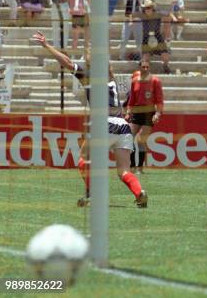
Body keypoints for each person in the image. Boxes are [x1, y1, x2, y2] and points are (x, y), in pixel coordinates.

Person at [32, 31, 148, 208]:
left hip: (104, 124)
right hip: (123, 127)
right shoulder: (111, 77)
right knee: (123, 170)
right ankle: (140, 193)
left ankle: (92, 194)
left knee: (83, 158)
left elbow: (67, 62)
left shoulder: (88, 74)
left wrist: (47, 46)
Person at [125, 60, 164, 176]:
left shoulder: (155, 81)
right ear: (139, 68)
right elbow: (132, 97)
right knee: (129, 138)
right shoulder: (135, 80)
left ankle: (140, 168)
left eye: (147, 67)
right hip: (137, 111)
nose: (145, 69)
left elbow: (159, 99)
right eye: (143, 67)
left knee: (141, 140)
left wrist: (157, 113)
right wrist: (128, 111)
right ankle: (131, 166)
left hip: (148, 112)